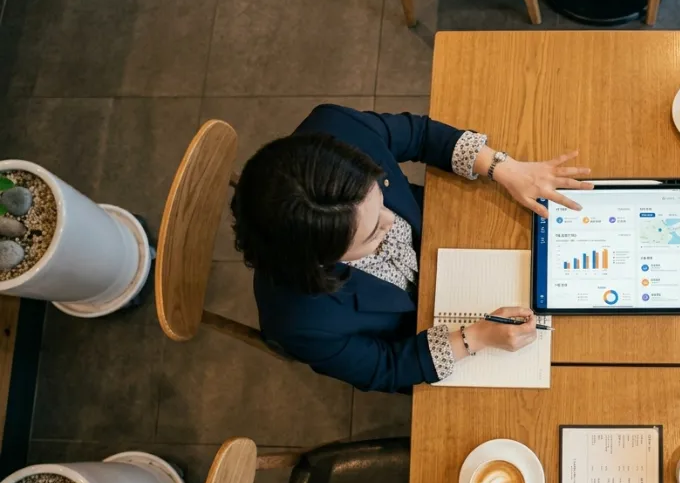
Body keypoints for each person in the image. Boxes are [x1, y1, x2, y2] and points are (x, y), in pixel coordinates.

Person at [231, 104, 591, 391]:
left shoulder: (336, 126)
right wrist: (475, 337)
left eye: (380, 197)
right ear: (321, 261)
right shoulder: (299, 321)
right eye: (373, 234)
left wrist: (504, 168)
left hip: (444, 228)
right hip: (425, 331)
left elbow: (420, 135)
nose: (392, 222)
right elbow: (385, 368)